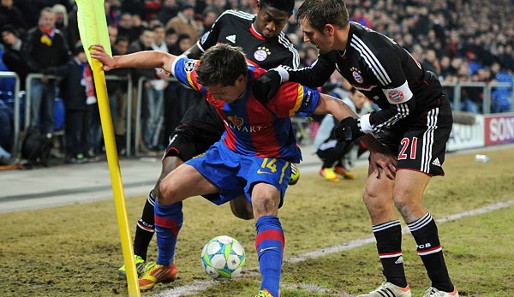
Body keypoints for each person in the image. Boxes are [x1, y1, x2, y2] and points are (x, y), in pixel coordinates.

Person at [91, 42, 394, 296]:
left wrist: (375, 148)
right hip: (230, 150)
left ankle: (269, 291)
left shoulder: (273, 92)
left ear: (239, 80)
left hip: (270, 155)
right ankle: (165, 265)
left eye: (219, 92)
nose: (214, 98)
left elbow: (333, 104)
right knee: (166, 189)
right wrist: (114, 61)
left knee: (261, 203)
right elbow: (162, 58)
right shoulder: (206, 76)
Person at [253, 1, 458, 296]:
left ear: (329, 29)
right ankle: (397, 285)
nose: (305, 38)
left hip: (425, 116)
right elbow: (314, 76)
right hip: (396, 115)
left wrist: (360, 124)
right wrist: (280, 75)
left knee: (404, 197)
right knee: (375, 196)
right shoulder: (335, 48)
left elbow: (407, 106)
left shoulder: (373, 55)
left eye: (309, 33)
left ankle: (443, 288)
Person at [117, 0, 302, 279]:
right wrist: (176, 65)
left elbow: (288, 107)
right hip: (208, 112)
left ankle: (269, 179)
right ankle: (139, 255)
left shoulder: (287, 55)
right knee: (168, 175)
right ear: (257, 6)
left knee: (243, 211)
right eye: (268, 18)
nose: (272, 26)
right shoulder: (229, 20)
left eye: (281, 22)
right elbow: (197, 52)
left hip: (245, 132)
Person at [21, 7, 71, 137]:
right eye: (46, 19)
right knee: (33, 113)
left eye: (51, 19)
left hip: (52, 81)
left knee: (50, 114)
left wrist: (55, 72)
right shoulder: (32, 34)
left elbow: (66, 57)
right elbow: (25, 56)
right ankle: (31, 146)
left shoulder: (59, 36)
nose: (48, 22)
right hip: (35, 79)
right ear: (40, 19)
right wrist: (40, 71)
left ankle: (46, 146)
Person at [313, 86, 370, 181]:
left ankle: (340, 167)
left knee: (367, 142)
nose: (362, 100)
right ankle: (326, 168)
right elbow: (341, 131)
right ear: (351, 95)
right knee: (348, 138)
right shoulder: (342, 106)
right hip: (324, 145)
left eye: (364, 97)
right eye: (359, 96)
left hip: (339, 141)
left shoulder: (365, 108)